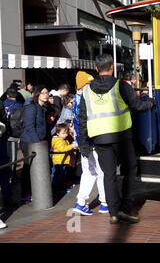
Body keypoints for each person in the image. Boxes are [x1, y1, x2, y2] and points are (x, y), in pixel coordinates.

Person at [78, 54, 154, 224]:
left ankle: (113, 212)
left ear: (97, 69)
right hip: (122, 136)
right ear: (112, 67)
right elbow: (138, 106)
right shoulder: (121, 85)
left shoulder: (87, 91)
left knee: (108, 175)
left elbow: (81, 119)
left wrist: (83, 144)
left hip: (99, 139)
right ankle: (125, 208)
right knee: (129, 170)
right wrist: (150, 102)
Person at [72, 71, 108, 216]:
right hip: (92, 142)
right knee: (101, 172)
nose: (92, 85)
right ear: (82, 85)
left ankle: (81, 202)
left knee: (89, 173)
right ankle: (105, 203)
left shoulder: (77, 98)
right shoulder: (85, 99)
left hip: (84, 142)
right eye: (89, 83)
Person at [19, 85, 49, 201]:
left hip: (37, 141)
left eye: (47, 93)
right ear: (37, 94)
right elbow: (29, 126)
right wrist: (37, 142)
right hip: (29, 141)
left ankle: (34, 191)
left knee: (36, 167)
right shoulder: (31, 107)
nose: (46, 95)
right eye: (43, 93)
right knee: (28, 167)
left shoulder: (43, 108)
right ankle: (25, 193)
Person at [50, 123, 77, 196]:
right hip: (59, 161)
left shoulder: (64, 139)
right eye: (63, 133)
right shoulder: (58, 141)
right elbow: (63, 149)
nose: (65, 135)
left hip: (63, 160)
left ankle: (61, 189)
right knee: (57, 176)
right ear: (57, 133)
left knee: (62, 175)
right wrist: (71, 146)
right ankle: (54, 190)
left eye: (66, 133)